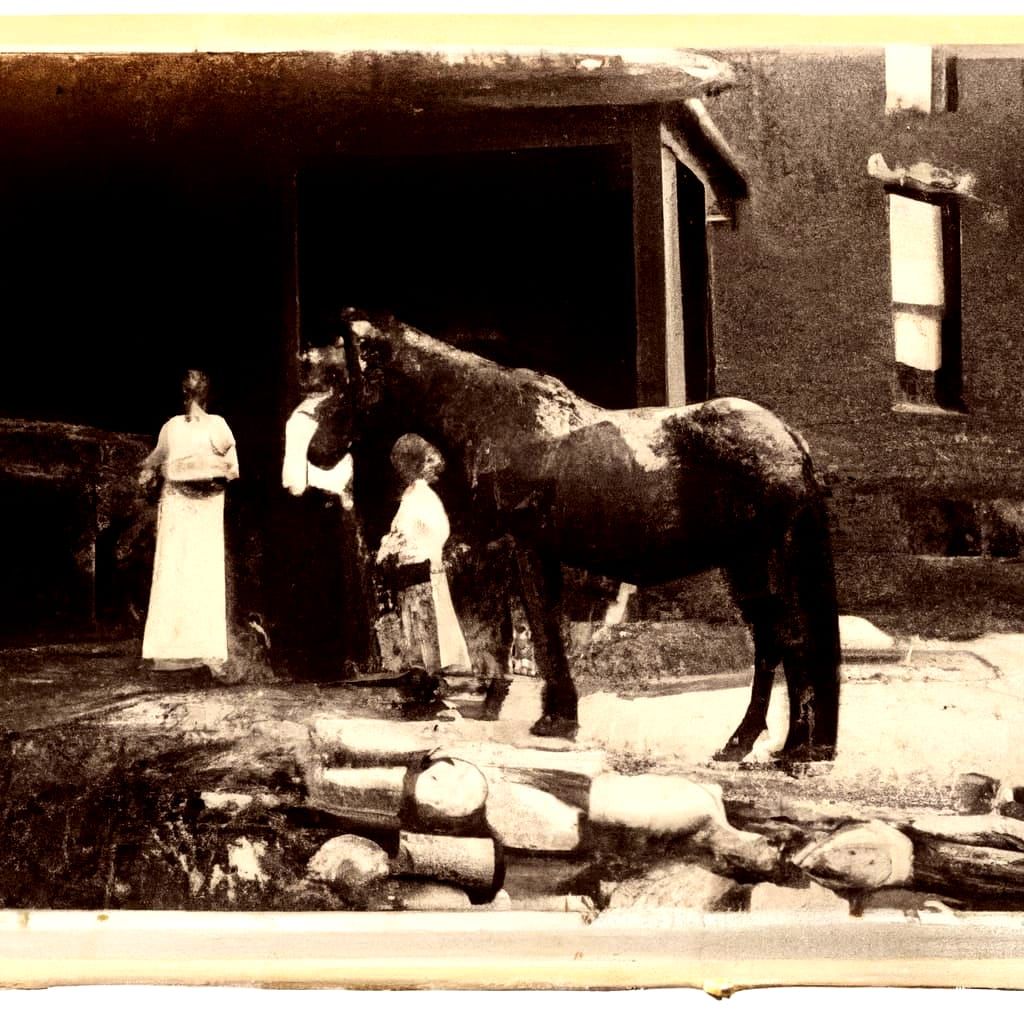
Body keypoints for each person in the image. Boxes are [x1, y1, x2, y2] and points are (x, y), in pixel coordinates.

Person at [139, 369, 239, 674]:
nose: (190, 399)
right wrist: (147, 470)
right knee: (173, 571)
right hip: (176, 507)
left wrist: (201, 469)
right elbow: (156, 458)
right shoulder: (172, 427)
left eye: (193, 393)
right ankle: (167, 651)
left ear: (202, 395)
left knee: (200, 573)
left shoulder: (217, 425)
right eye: (187, 393)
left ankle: (205, 650)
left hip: (204, 507)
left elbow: (232, 468)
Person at [376, 434, 472, 677]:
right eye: (428, 462)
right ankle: (422, 672)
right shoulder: (410, 495)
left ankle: (432, 673)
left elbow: (440, 531)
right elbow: (398, 528)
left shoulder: (425, 496)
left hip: (423, 566)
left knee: (426, 621)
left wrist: (416, 545)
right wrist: (390, 544)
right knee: (414, 621)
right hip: (410, 569)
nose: (434, 468)